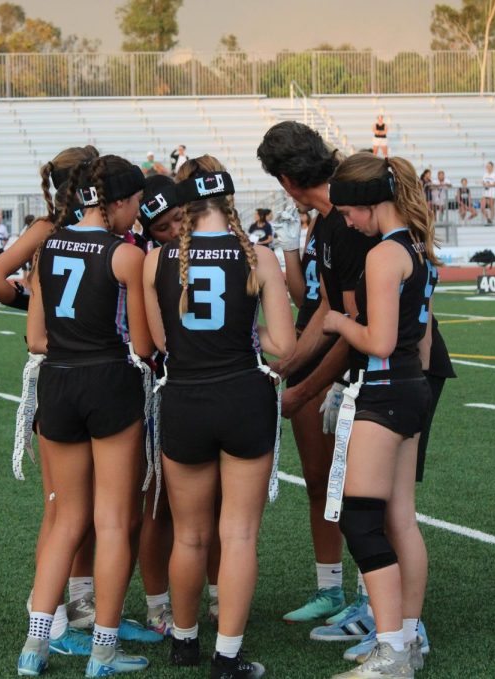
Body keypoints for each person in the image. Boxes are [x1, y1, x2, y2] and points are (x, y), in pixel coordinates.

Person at [145, 155, 295, 679]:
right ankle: (227, 657)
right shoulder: (259, 258)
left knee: (188, 535)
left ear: (184, 205)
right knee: (238, 535)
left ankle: (184, 642)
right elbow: (285, 347)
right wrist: (244, 340)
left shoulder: (157, 260)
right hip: (243, 397)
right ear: (229, 203)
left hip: (184, 399)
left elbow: (155, 344)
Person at [16, 154, 152, 677]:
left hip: (58, 382)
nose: (137, 214)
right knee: (112, 521)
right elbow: (140, 343)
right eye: (136, 203)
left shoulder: (47, 243)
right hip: (109, 382)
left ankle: (35, 646)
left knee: (63, 522)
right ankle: (102, 650)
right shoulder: (125, 256)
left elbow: (35, 338)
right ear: (116, 201)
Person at [257, 122, 380, 653]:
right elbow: (321, 306)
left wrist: (303, 387)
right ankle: (340, 590)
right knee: (323, 482)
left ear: (286, 179)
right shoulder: (330, 221)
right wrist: (290, 367)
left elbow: (352, 327)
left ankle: (380, 604)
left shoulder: (348, 222)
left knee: (367, 493)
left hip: (361, 368)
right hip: (327, 355)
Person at [322, 151, 441, 678]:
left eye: (348, 212)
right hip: (412, 388)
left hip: (386, 391)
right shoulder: (419, 245)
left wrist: (337, 323)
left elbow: (381, 341)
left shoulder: (383, 254)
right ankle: (408, 640)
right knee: (400, 520)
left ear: (371, 202)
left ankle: (391, 649)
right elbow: (425, 340)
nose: (346, 221)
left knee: (361, 520)